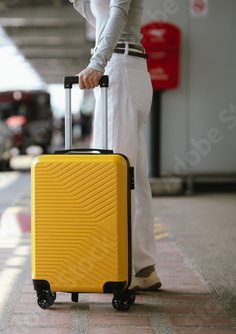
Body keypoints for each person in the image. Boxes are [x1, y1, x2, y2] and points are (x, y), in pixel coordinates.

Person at [70, 0, 161, 291]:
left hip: (118, 69)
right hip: (124, 69)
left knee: (115, 176)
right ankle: (143, 268)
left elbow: (117, 14)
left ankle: (119, 269)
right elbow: (92, 12)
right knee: (135, 175)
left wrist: (97, 62)